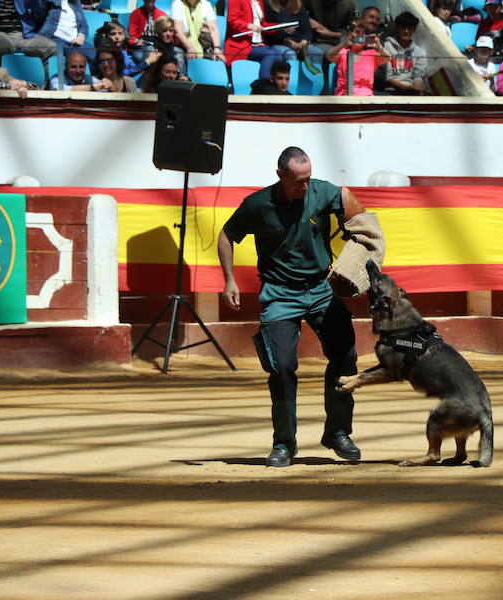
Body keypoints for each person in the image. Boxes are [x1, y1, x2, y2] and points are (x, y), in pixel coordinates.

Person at [217, 146, 365, 467]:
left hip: (322, 288)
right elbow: (227, 235)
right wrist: (229, 279)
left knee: (346, 356)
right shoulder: (257, 205)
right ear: (280, 176)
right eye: (298, 180)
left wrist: (362, 228)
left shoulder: (320, 191)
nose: (304, 186)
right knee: (282, 368)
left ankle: (338, 432)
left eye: (308, 179)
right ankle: (284, 443)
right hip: (279, 294)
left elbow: (350, 203)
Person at [225, 0, 282, 78]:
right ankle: (264, 85)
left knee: (279, 54)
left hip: (258, 45)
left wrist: (279, 26)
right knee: (270, 53)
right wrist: (248, 26)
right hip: (241, 46)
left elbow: (262, 25)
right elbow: (232, 20)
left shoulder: (259, 2)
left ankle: (276, 86)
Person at [328, 24, 388, 95]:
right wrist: (344, 44)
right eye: (357, 32)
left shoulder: (371, 54)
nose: (359, 36)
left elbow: (387, 58)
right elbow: (329, 56)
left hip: (366, 97)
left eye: (363, 34)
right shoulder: (343, 52)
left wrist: (378, 46)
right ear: (350, 34)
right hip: (344, 95)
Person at [264, 0, 323, 67]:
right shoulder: (268, 4)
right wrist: (285, 41)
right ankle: (292, 77)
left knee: (316, 52)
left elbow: (307, 31)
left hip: (300, 43)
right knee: (290, 54)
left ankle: (315, 76)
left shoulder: (299, 5)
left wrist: (303, 42)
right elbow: (268, 32)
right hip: (280, 42)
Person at [382, 11, 426, 95]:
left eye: (409, 28)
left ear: (413, 30)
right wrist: (405, 88)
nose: (406, 31)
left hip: (411, 92)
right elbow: (388, 77)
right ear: (397, 28)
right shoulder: (387, 47)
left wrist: (417, 90)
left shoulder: (418, 51)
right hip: (390, 92)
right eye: (403, 27)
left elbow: (418, 76)